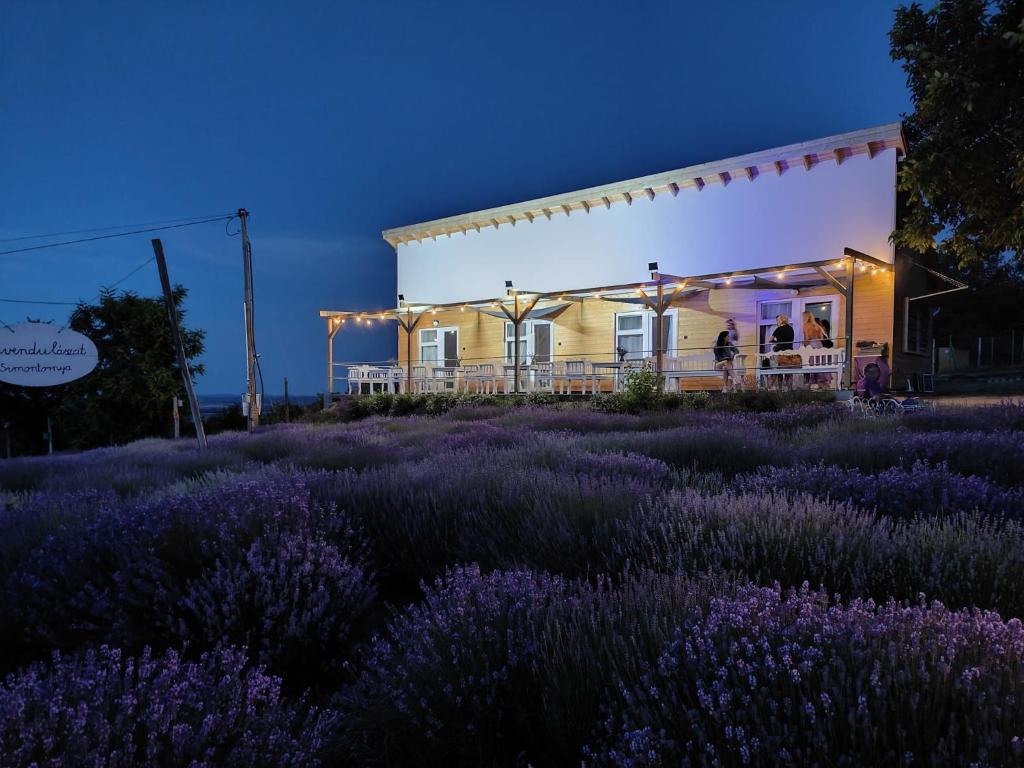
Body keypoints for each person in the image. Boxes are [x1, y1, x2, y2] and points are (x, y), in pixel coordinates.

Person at [769, 314, 795, 389]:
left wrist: (776, 342)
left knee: (779, 370)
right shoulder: (791, 329)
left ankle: (780, 388)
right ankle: (789, 388)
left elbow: (770, 339)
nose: (777, 322)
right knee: (788, 371)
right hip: (789, 352)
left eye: (778, 320)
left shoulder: (779, 329)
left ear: (780, 320)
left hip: (780, 352)